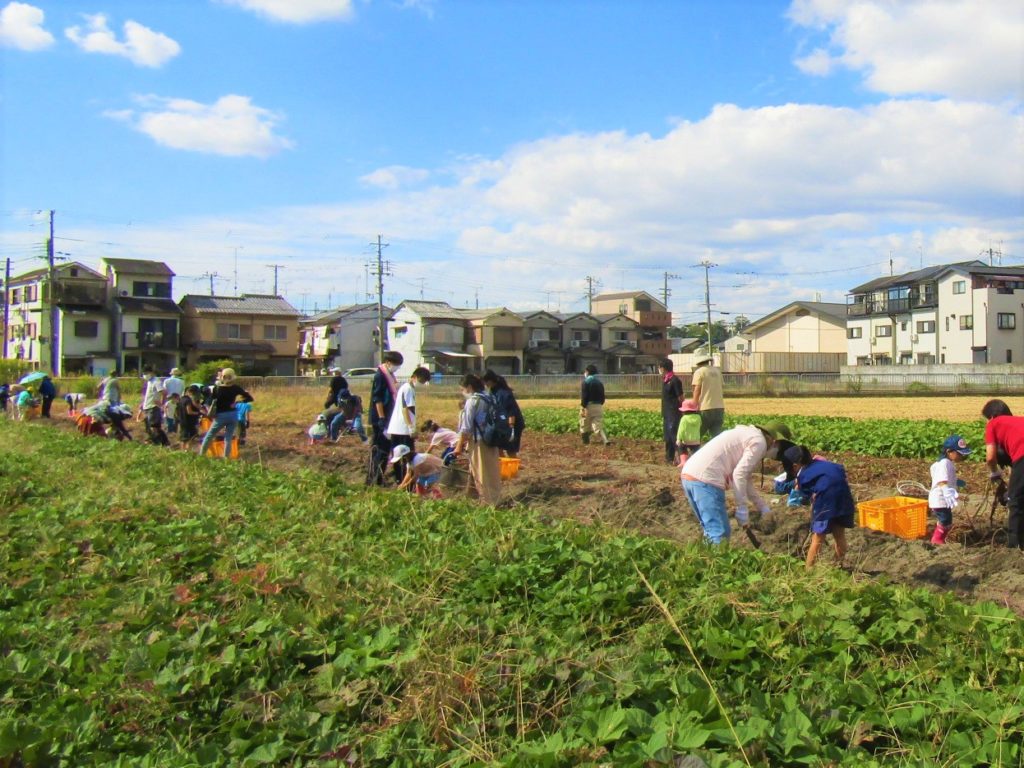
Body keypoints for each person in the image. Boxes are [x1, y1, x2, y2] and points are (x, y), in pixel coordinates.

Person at [680, 421, 792, 544]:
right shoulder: (759, 442)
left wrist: (762, 507)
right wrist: (742, 509)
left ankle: (705, 560)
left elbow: (746, 479)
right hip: (706, 479)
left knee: (710, 529)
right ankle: (716, 562)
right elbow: (739, 475)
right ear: (774, 441)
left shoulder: (748, 434)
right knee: (720, 533)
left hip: (689, 474)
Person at [783, 445, 856, 568]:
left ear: (795, 466)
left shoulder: (803, 477)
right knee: (839, 535)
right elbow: (840, 471)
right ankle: (837, 566)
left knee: (817, 538)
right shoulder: (824, 463)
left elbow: (811, 497)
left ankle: (808, 571)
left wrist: (814, 513)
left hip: (826, 502)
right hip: (845, 499)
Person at [453, 373, 502, 505]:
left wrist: (458, 446)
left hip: (478, 440)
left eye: (462, 389)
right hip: (492, 439)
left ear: (469, 387)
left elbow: (466, 427)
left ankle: (488, 502)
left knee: (481, 472)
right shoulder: (490, 397)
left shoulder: (472, 401)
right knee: (492, 470)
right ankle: (474, 498)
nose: (462, 392)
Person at [982, 399, 1024, 549]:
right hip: (1020, 459)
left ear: (992, 416)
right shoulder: (1019, 421)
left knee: (1016, 501)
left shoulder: (993, 424)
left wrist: (995, 474)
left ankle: (1014, 546)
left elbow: (990, 457)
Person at [198, 368, 253, 460]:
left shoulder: (218, 388)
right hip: (233, 414)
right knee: (228, 437)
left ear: (222, 377)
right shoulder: (236, 388)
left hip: (220, 415)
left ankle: (201, 455)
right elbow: (249, 398)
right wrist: (237, 402)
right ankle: (226, 458)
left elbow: (211, 400)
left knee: (210, 435)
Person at [366, 351, 403, 486]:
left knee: (385, 450)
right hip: (381, 420)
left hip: (388, 418)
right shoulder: (380, 376)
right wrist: (381, 418)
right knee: (380, 450)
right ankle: (375, 480)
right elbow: (378, 398)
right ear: (388, 363)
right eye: (396, 364)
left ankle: (378, 479)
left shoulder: (390, 375)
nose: (397, 367)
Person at [928, 435, 972, 545]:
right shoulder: (944, 463)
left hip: (942, 499)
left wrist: (958, 482)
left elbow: (947, 478)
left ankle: (939, 538)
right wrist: (947, 491)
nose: (961, 456)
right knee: (946, 520)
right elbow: (941, 480)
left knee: (946, 519)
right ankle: (937, 540)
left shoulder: (946, 463)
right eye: (959, 453)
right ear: (949, 451)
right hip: (940, 499)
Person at [387, 366, 431, 455]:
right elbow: (405, 409)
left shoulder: (408, 388)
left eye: (424, 382)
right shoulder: (408, 389)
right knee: (407, 455)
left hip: (400, 428)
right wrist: (411, 428)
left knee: (401, 455)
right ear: (414, 377)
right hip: (402, 429)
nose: (422, 383)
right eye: (421, 381)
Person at [482, 369, 526, 456]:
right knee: (499, 447)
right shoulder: (493, 391)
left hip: (512, 424)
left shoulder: (504, 393)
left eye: (485, 382)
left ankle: (512, 469)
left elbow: (511, 411)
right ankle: (502, 467)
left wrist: (511, 428)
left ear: (490, 381)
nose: (484, 385)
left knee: (510, 449)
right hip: (501, 423)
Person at [691, 354, 725, 440]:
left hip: (705, 408)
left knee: (697, 434)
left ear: (698, 362)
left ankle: (694, 452)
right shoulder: (717, 371)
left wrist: (694, 405)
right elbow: (721, 386)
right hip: (719, 407)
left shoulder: (699, 372)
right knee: (716, 437)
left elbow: (697, 390)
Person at [659, 359, 685, 463]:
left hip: (674, 412)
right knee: (668, 437)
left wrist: (683, 410)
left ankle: (682, 459)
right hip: (666, 412)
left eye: (660, 367)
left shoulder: (675, 380)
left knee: (675, 436)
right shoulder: (665, 380)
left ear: (663, 368)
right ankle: (669, 459)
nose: (659, 369)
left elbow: (681, 397)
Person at [578, 364, 610, 447]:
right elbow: (603, 397)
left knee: (584, 424)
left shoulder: (585, 382)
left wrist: (583, 407)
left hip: (588, 406)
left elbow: (584, 396)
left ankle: (586, 443)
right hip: (599, 406)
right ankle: (605, 440)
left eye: (585, 372)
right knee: (597, 425)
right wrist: (600, 404)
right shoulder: (599, 383)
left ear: (587, 372)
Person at [140, 367, 169, 446]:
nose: (145, 375)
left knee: (154, 427)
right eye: (144, 374)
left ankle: (159, 443)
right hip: (147, 407)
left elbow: (164, 392)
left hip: (153, 407)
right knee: (149, 427)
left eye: (146, 373)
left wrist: (162, 404)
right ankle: (162, 442)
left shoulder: (156, 381)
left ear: (151, 372)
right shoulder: (149, 382)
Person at [675, 398, 702, 470]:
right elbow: (700, 426)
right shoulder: (699, 417)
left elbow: (681, 430)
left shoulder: (684, 418)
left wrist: (678, 439)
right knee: (695, 452)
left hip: (686, 440)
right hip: (696, 440)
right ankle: (695, 464)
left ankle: (683, 462)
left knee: (681, 448)